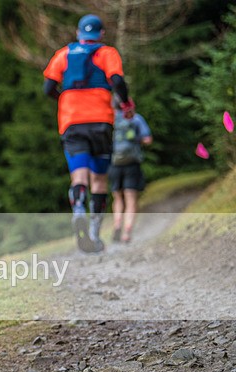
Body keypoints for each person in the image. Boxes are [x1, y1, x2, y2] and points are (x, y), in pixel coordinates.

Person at [43, 14, 135, 253]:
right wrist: (126, 104)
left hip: (71, 122)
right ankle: (94, 232)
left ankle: (78, 210)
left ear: (78, 33)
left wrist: (64, 98)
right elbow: (117, 81)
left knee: (79, 177)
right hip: (100, 122)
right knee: (100, 180)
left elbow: (48, 87)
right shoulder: (107, 53)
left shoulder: (63, 54)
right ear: (101, 34)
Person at [109, 104, 153, 243]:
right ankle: (127, 232)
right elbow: (148, 139)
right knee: (131, 198)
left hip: (114, 163)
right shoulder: (136, 119)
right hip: (132, 164)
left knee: (117, 198)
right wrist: (135, 138)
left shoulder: (111, 119)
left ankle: (117, 225)